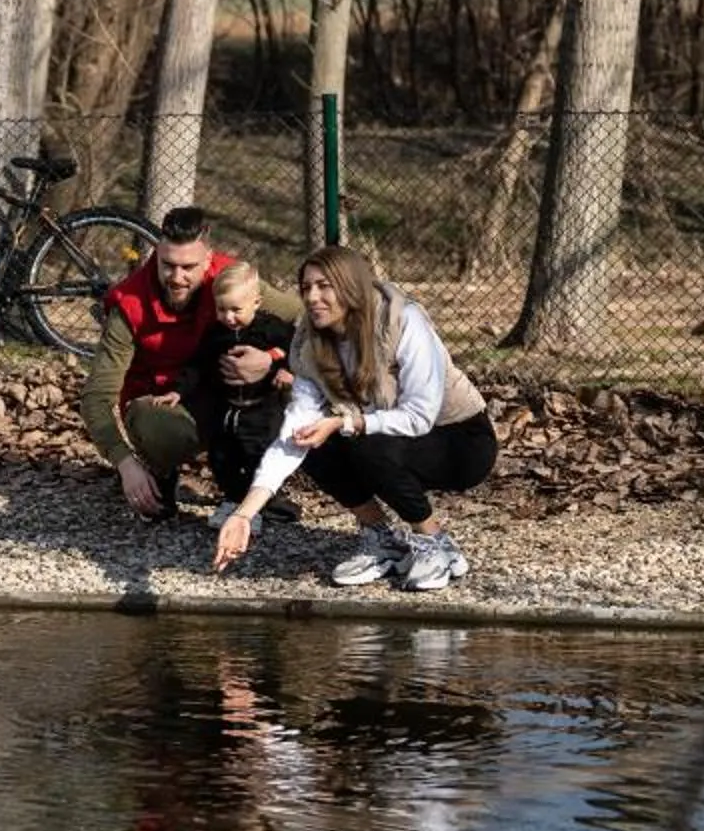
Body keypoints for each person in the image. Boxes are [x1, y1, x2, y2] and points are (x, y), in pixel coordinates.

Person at [208, 244, 497, 590]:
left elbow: (420, 416)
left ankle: (435, 544)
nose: (312, 297)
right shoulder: (308, 342)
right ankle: (382, 540)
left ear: (351, 287)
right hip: (384, 436)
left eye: (324, 286)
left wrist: (347, 423)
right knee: (311, 440)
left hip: (460, 440)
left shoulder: (402, 320)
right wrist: (244, 513)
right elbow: (292, 434)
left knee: (367, 445)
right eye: (306, 288)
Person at [81, 207, 301, 518]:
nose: (177, 277)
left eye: (188, 267)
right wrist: (125, 463)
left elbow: (304, 316)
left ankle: (265, 482)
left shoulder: (232, 281)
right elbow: (96, 396)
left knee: (300, 388)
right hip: (172, 403)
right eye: (167, 265)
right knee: (153, 420)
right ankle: (159, 471)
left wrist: (274, 360)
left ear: (209, 260)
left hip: (236, 396)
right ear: (155, 254)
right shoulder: (129, 303)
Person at [180, 261, 297, 525]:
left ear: (256, 303)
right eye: (221, 309)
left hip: (262, 407)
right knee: (222, 456)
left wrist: (284, 367)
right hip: (227, 406)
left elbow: (294, 348)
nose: (228, 317)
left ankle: (255, 506)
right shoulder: (215, 334)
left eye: (236, 310)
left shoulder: (271, 328)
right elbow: (197, 364)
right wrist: (178, 391)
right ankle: (232, 499)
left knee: (259, 454)